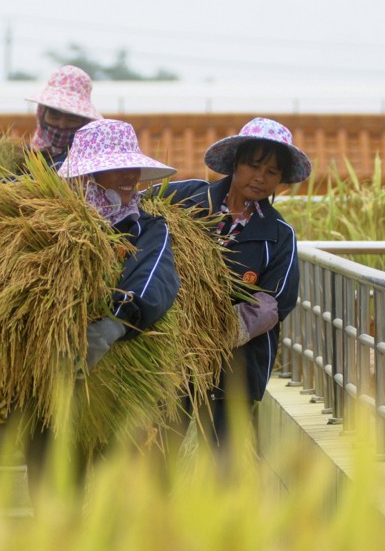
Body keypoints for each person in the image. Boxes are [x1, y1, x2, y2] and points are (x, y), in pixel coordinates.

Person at [25, 118, 181, 486]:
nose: (129, 177)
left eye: (131, 167)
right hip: (51, 371)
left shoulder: (148, 227)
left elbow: (155, 277)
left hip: (119, 373)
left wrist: (112, 325)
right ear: (89, 174)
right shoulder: (49, 221)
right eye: (115, 168)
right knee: (50, 472)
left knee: (117, 475)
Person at [157, 117, 309, 453]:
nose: (260, 177)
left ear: (280, 180)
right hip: (170, 354)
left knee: (228, 462)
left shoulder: (278, 235)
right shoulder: (183, 199)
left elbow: (276, 301)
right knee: (156, 453)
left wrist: (213, 335)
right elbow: (133, 216)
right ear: (236, 163)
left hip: (237, 364)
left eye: (271, 172)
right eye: (254, 165)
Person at [25, 65, 103, 167]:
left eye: (72, 119)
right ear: (41, 114)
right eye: (55, 116)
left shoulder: (94, 162)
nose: (62, 125)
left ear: (85, 122)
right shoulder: (24, 157)